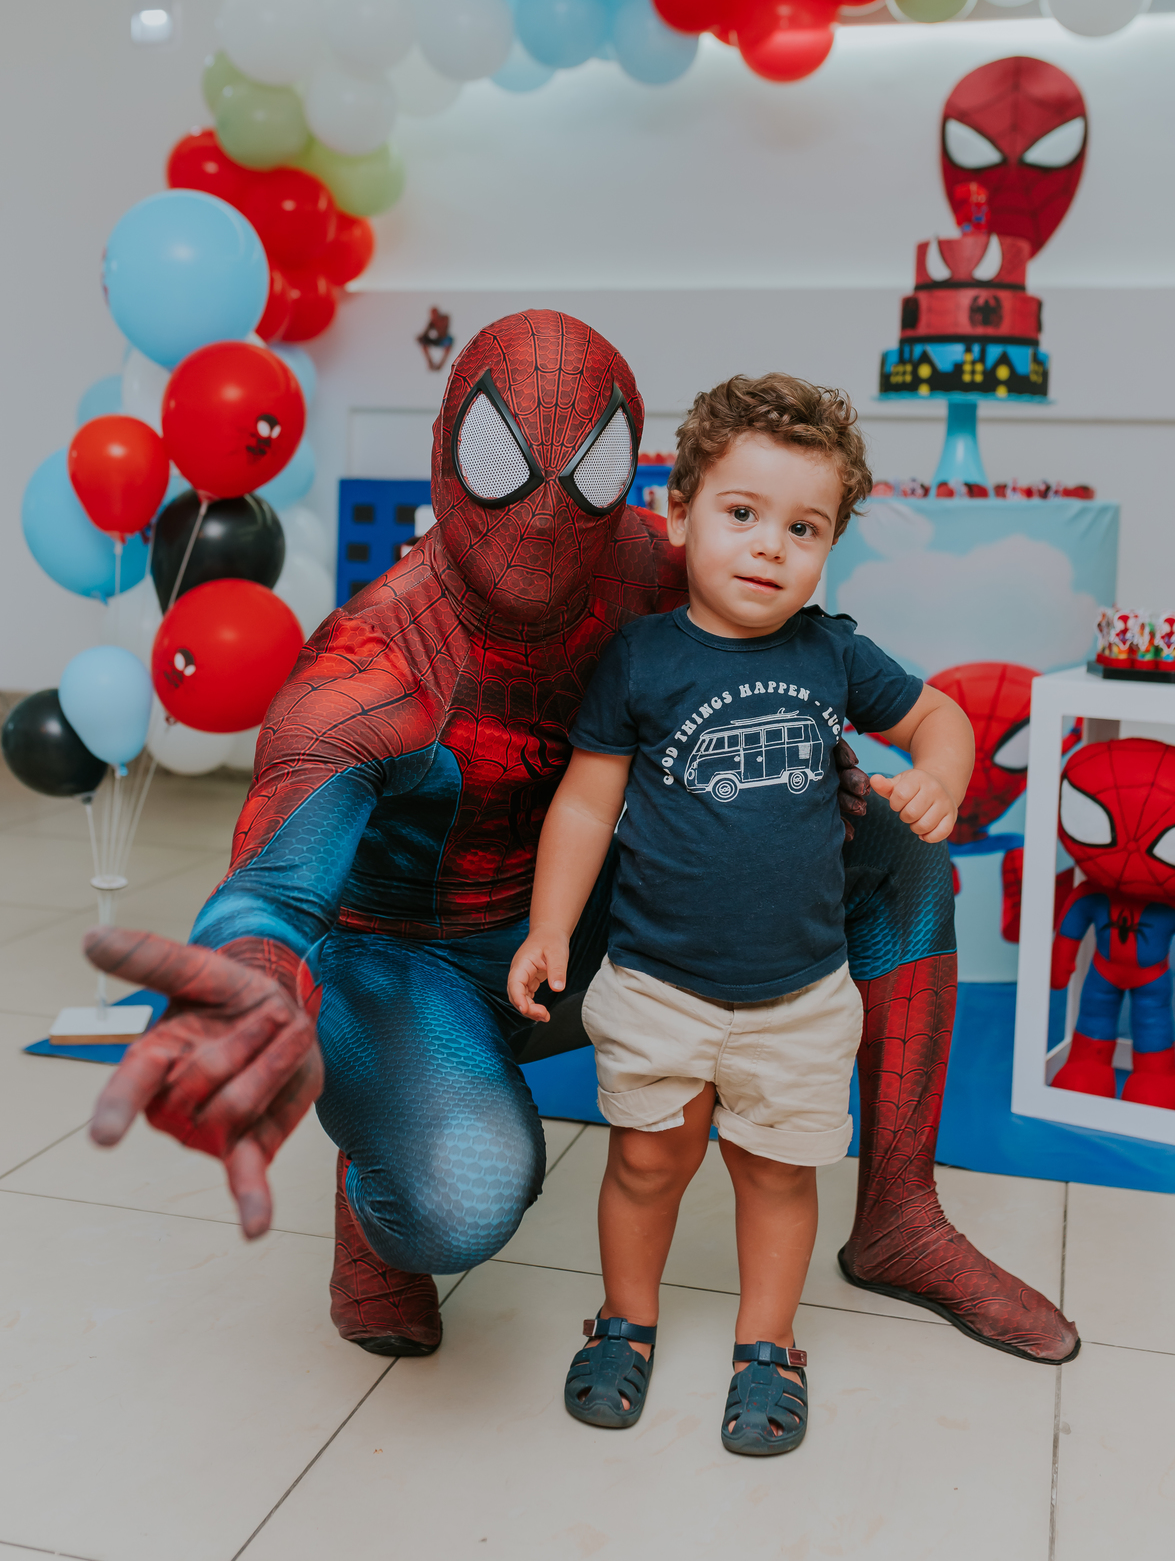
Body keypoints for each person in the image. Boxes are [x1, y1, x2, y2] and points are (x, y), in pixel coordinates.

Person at [82, 312, 1078, 1372]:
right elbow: (273, 893)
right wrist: (249, 986)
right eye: (502, 460)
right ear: (448, 456)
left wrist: (820, 766)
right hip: (420, 961)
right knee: (458, 1199)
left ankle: (897, 1214)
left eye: (589, 470)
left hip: (611, 916)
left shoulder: (667, 561)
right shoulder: (371, 666)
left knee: (897, 848)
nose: (548, 511)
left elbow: (800, 654)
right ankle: (383, 1158)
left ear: (636, 480)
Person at [507, 374, 976, 1456]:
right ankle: (625, 1320)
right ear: (678, 515)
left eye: (803, 528)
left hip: (802, 992)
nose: (769, 547)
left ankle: (769, 1346)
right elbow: (585, 802)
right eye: (741, 513)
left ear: (830, 548)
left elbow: (936, 712)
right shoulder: (643, 658)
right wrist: (549, 929)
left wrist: (940, 776)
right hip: (658, 980)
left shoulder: (833, 652)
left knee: (776, 1174)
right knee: (645, 1162)